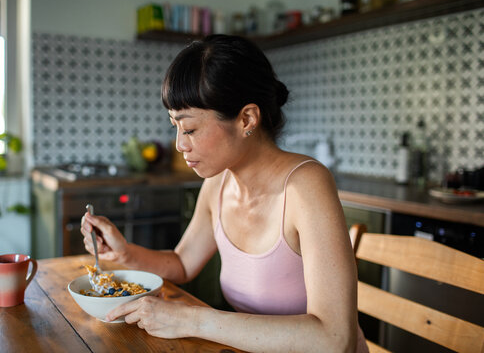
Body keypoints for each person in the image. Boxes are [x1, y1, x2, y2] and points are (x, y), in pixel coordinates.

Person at [81, 34, 368, 353]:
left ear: (247, 119)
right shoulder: (218, 184)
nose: (180, 144)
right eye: (174, 127)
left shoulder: (306, 185)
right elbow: (182, 263)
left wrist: (191, 320)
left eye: (189, 129)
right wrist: (124, 253)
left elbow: (334, 338)